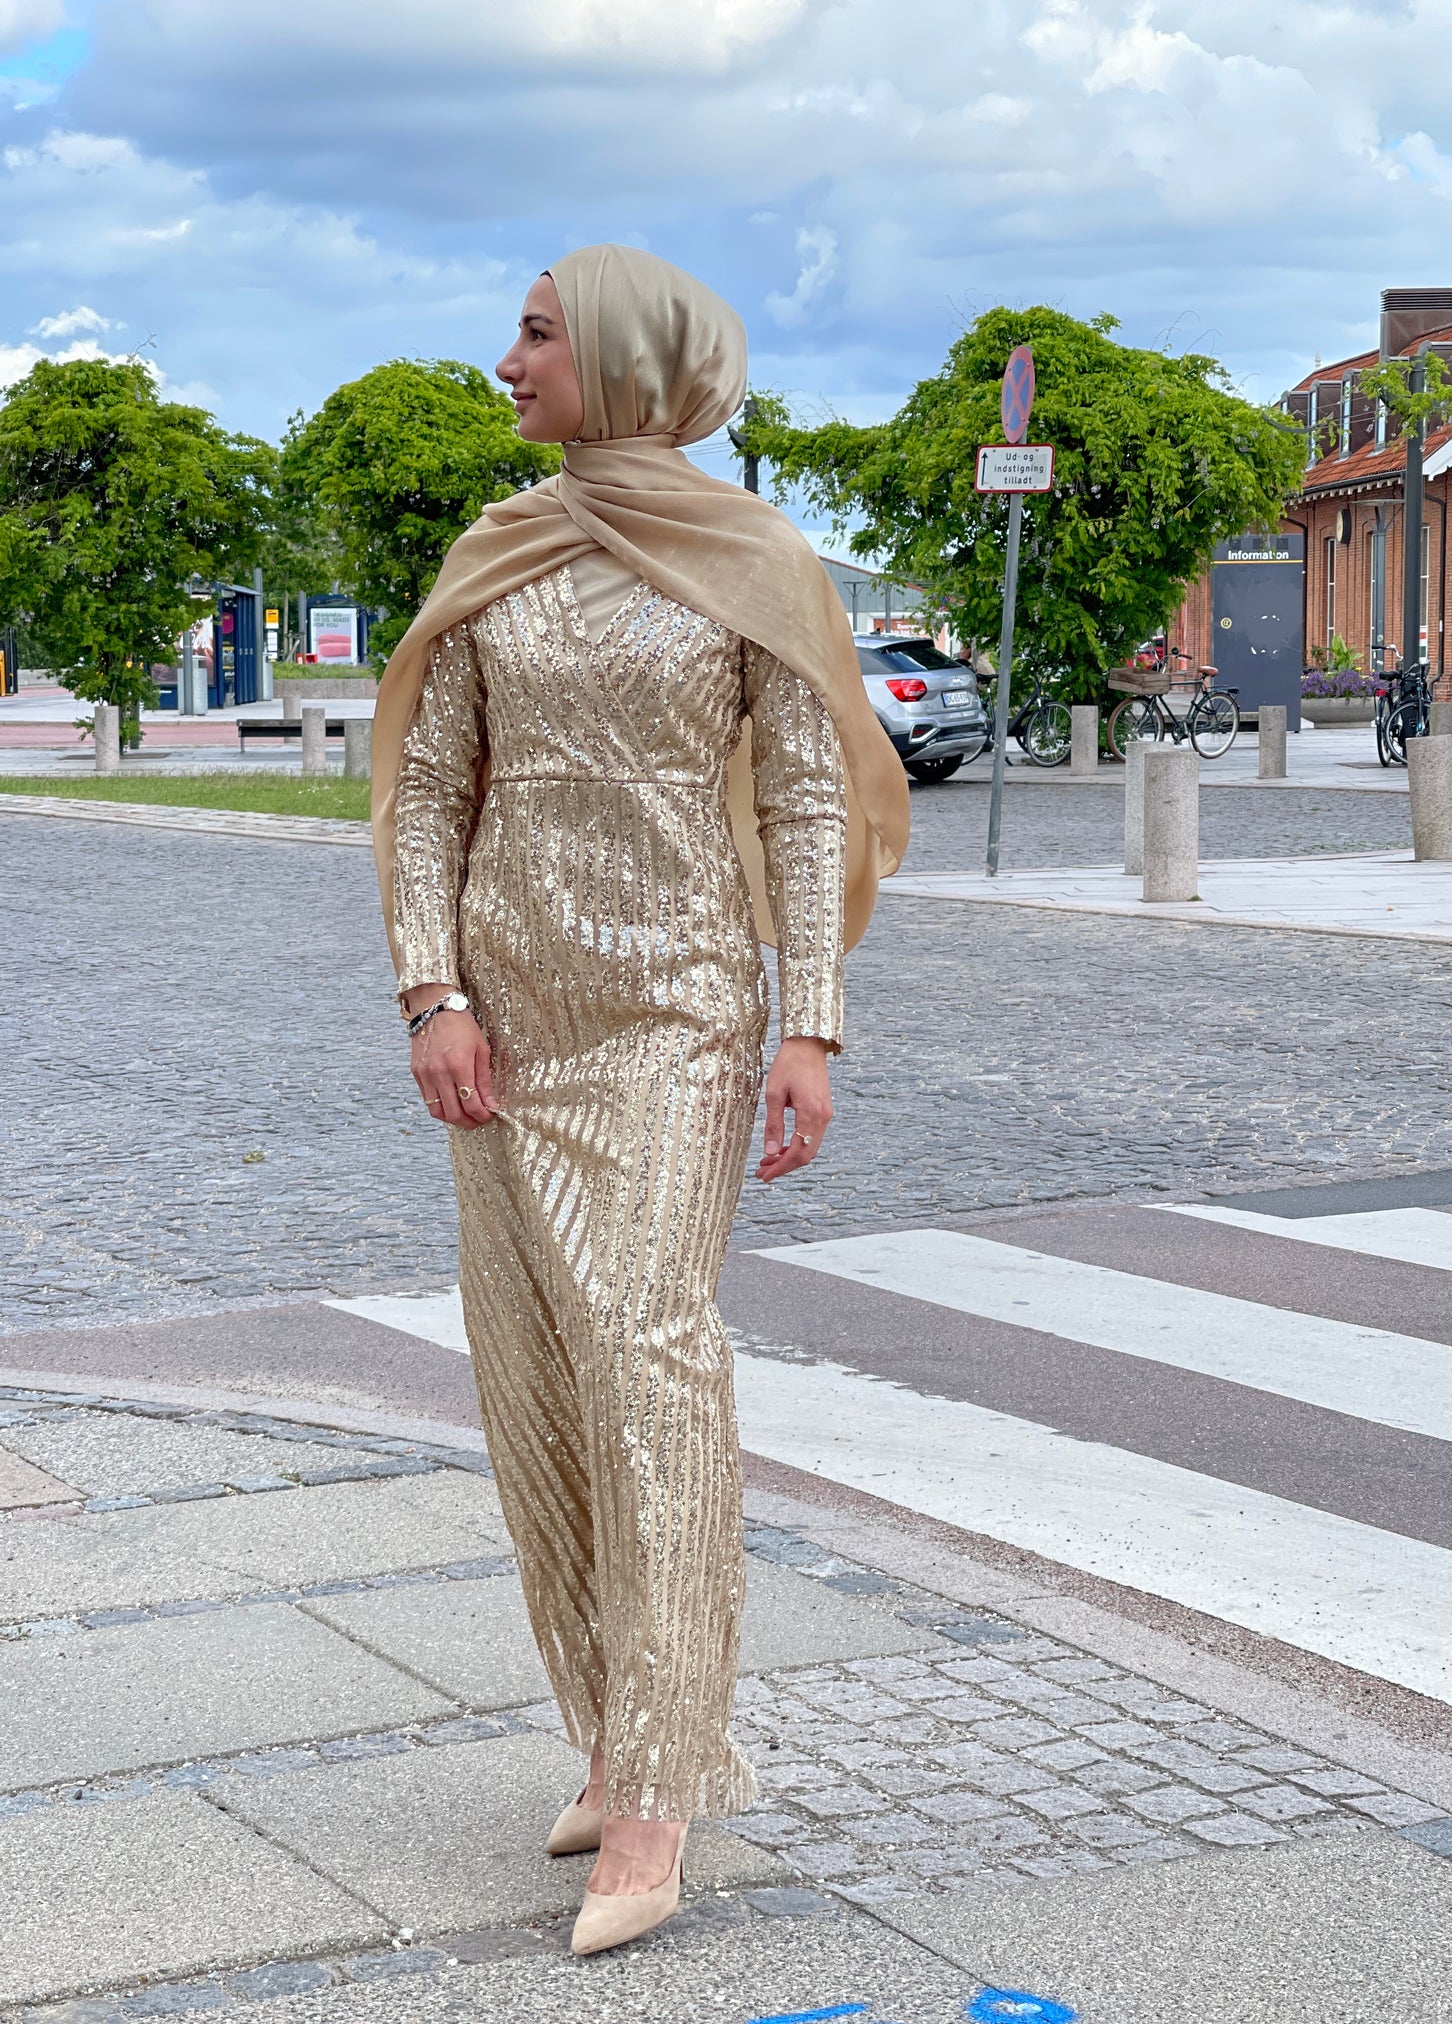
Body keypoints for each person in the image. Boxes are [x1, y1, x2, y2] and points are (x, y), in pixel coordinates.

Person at [370, 247, 908, 1957]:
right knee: (534, 1376)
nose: (507, 359)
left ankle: (665, 1791)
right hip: (502, 1028)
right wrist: (432, 993)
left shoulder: (754, 559)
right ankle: (608, 1734)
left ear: (618, 353)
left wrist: (810, 1024)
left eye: (536, 332)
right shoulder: (500, 549)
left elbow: (807, 804)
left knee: (646, 1351)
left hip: (674, 1013)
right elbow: (429, 791)